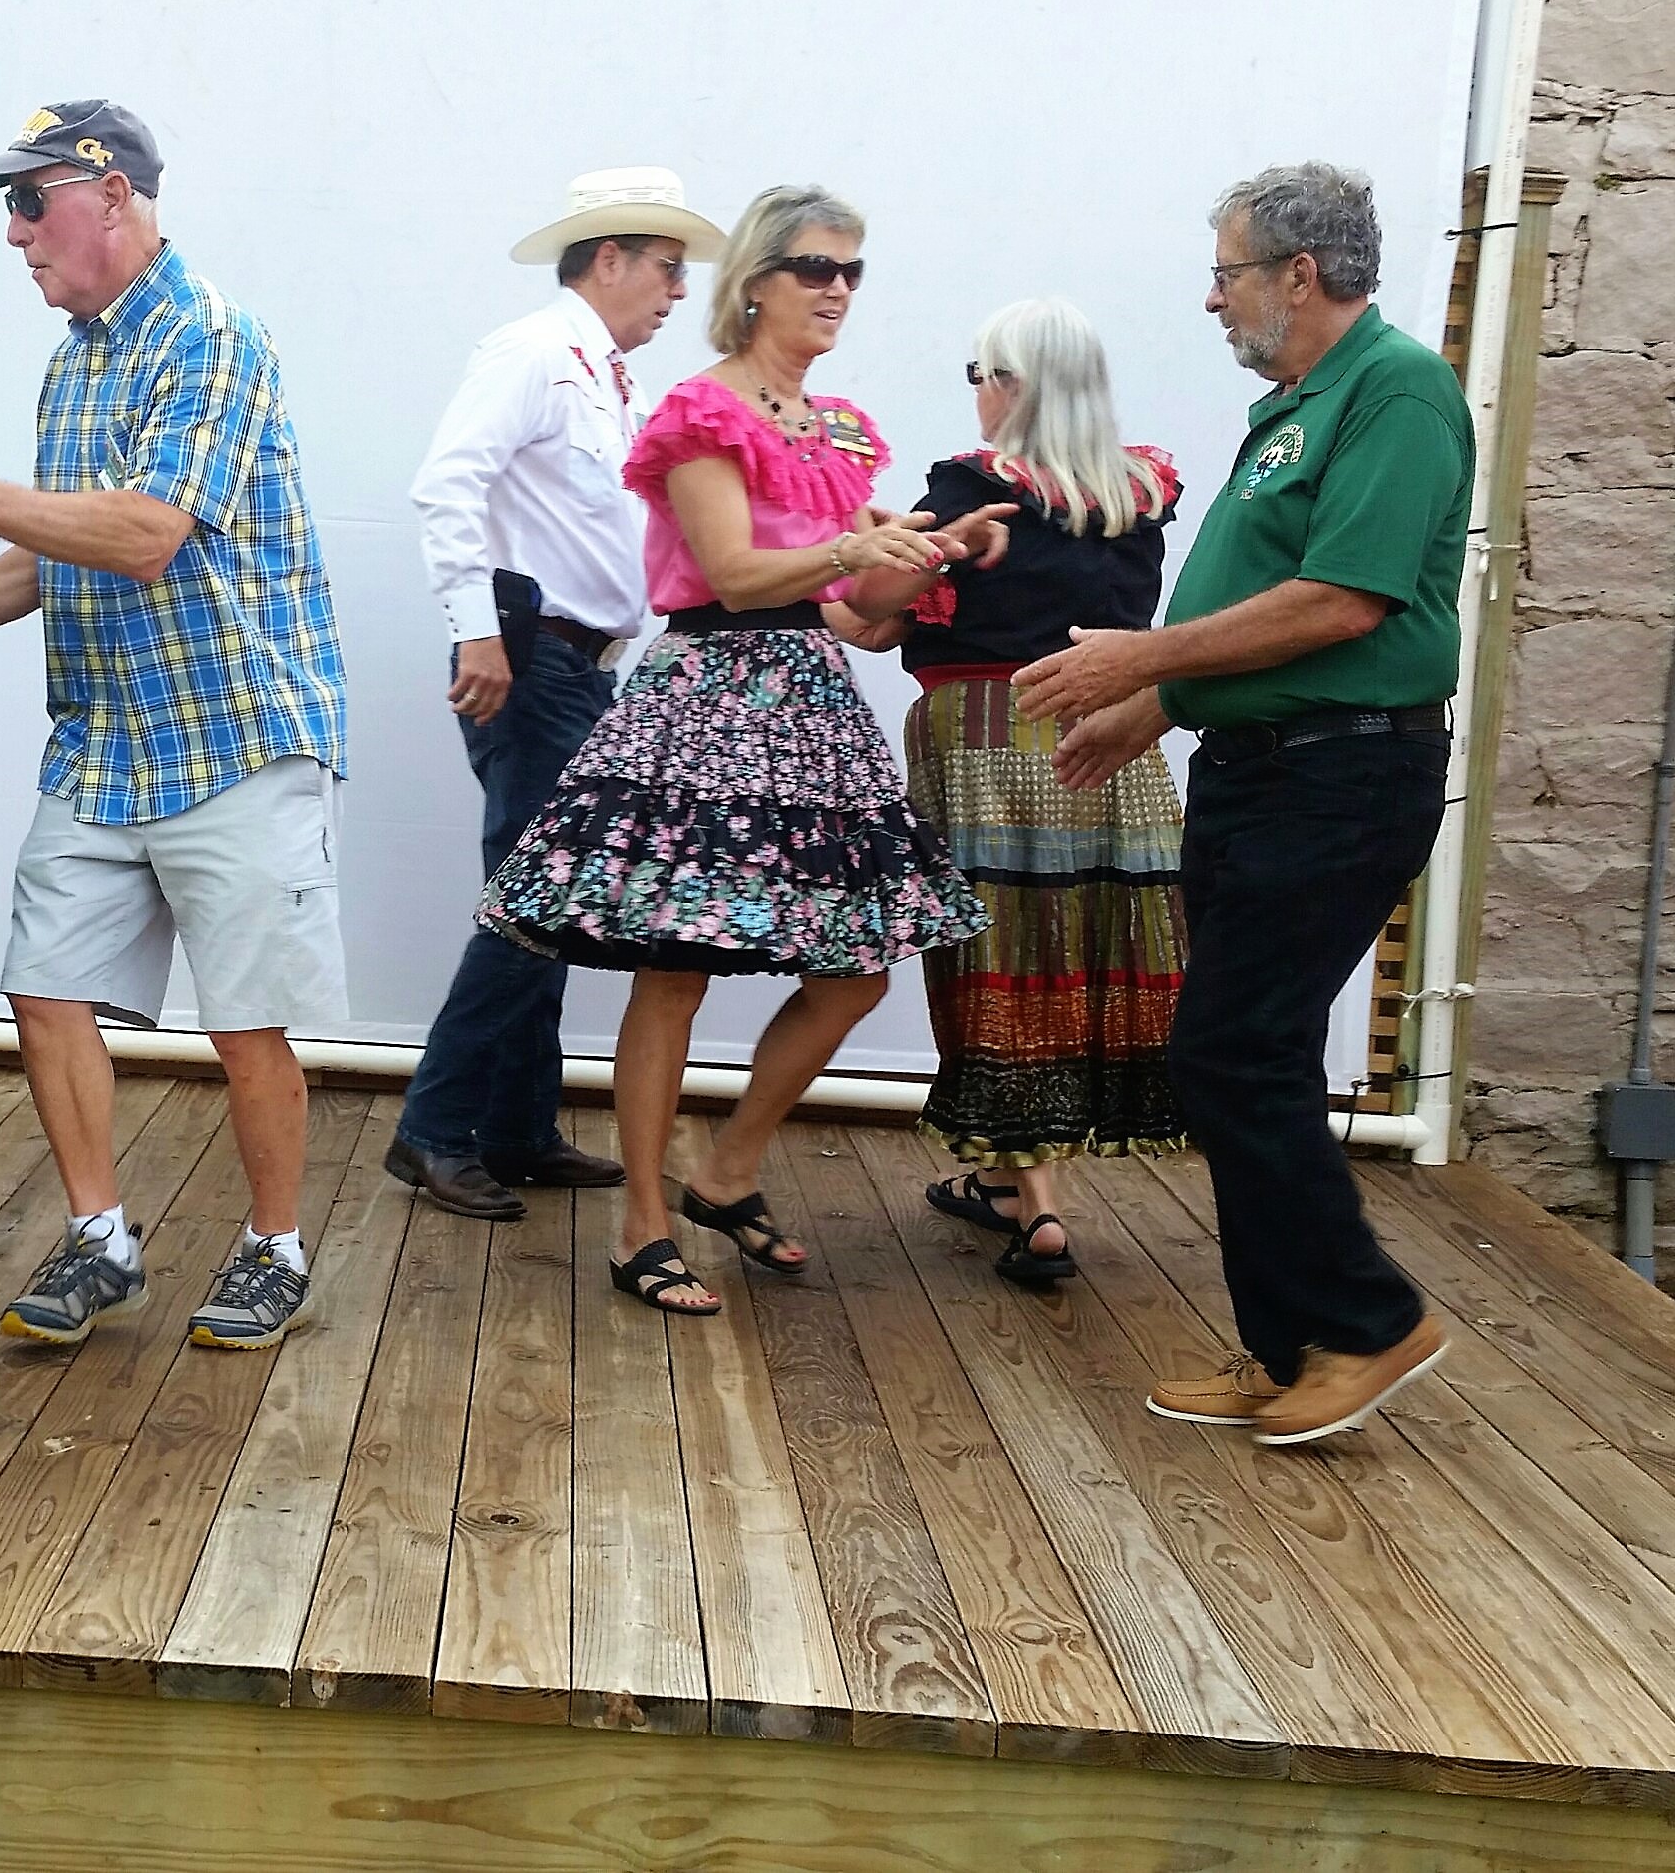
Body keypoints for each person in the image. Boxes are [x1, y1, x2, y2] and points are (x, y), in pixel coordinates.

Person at [0, 100, 347, 1354]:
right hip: (106, 738)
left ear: (108, 192)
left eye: (28, 203)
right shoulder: (72, 361)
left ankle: (274, 1245)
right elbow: (53, 555)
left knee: (244, 1019)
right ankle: (99, 1235)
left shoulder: (212, 338)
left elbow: (141, 535)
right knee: (41, 985)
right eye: (4, 209)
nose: (11, 234)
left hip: (235, 731)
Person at [478, 185, 1002, 1314]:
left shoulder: (840, 427)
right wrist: (851, 548)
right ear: (755, 278)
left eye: (852, 272)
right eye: (814, 266)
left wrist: (932, 554)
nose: (834, 290)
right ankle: (640, 1223)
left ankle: (725, 1166)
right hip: (708, 695)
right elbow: (729, 576)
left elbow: (858, 605)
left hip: (809, 703)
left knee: (858, 963)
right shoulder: (701, 411)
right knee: (676, 967)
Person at [1015, 162, 1460, 1445]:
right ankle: (1288, 1347)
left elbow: (1346, 599)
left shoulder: (1396, 393)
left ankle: (1369, 1321)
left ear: (1297, 276)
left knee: (1233, 1050)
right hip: (1265, 769)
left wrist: (1137, 660)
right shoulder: (1296, 407)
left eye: (1226, 272)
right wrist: (1151, 710)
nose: (1211, 300)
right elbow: (1259, 610)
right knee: (1229, 1054)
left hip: (1340, 773)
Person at [384, 168, 725, 1221]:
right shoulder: (535, 354)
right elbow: (447, 484)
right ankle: (437, 1130)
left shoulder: (604, 376)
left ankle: (515, 1128)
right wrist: (479, 633)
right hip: (533, 658)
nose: (677, 290)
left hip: (575, 666)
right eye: (666, 267)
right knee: (536, 898)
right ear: (609, 257)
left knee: (549, 896)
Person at [856, 299, 1190, 1287]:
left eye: (984, 371)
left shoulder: (969, 487)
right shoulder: (1138, 493)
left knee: (1001, 954)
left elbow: (877, 623)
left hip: (986, 735)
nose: (977, 390)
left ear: (1022, 387)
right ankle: (1012, 1188)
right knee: (1084, 955)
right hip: (1108, 736)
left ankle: (1036, 1203)